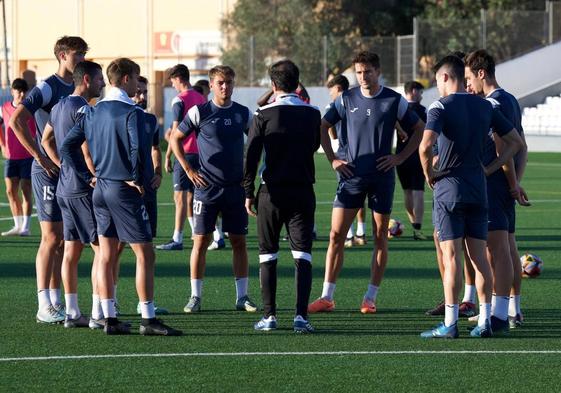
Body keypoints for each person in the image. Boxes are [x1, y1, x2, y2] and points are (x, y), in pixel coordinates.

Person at [60, 58, 181, 336]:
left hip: (100, 189)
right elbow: (138, 148)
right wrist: (136, 178)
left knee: (105, 254)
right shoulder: (133, 113)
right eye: (137, 78)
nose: (139, 84)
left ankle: (110, 318)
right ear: (126, 79)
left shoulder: (91, 111)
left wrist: (87, 175)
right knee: (145, 253)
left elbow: (67, 146)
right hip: (123, 190)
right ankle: (148, 319)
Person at [308, 51, 424, 314]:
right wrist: (333, 159)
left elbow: (419, 129)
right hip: (351, 177)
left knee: (380, 235)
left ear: (378, 71)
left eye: (367, 71)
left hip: (382, 178)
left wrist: (400, 157)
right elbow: (322, 127)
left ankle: (370, 298)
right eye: (358, 72)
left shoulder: (394, 100)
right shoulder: (346, 99)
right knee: (336, 235)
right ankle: (327, 296)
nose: (362, 77)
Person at [419, 55, 523, 339]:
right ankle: (485, 321)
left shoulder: (440, 106)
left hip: (449, 189)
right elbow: (516, 142)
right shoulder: (485, 106)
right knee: (480, 258)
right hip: (479, 190)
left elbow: (425, 146)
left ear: (443, 78)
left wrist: (429, 173)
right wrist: (489, 167)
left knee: (451, 257)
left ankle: (450, 323)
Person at [10, 36, 89, 324]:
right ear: (62, 55)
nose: (81, 58)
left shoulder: (80, 86)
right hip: (47, 171)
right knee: (51, 237)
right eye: (77, 53)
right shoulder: (48, 86)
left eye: (83, 53)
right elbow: (16, 121)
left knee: (65, 240)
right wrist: (41, 157)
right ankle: (43, 303)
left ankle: (57, 301)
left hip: (68, 171)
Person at [170, 65, 257, 313]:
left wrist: (250, 172)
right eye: (220, 82)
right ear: (211, 85)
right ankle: (195, 297)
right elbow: (175, 138)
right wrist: (188, 170)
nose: (225, 87)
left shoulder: (243, 113)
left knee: (239, 242)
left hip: (235, 189)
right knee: (200, 241)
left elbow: (256, 141)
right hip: (206, 189)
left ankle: (242, 297)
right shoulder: (200, 111)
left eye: (229, 82)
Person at [245, 60, 321, 333]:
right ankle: (301, 317)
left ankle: (270, 317)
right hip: (302, 191)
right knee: (303, 255)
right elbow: (313, 146)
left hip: (271, 193)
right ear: (297, 83)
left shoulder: (263, 113)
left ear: (273, 85)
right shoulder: (313, 113)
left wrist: (247, 193)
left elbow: (251, 155)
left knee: (268, 255)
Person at [464, 49, 530, 329]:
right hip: (505, 186)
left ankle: (499, 313)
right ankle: (512, 310)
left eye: (469, 78)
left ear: (482, 73)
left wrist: (508, 181)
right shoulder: (511, 99)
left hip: (495, 186)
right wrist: (516, 183)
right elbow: (523, 145)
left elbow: (504, 146)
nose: (467, 85)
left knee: (495, 251)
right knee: (509, 248)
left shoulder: (493, 104)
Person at [41, 60, 105, 328]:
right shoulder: (83, 109)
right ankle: (98, 313)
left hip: (64, 190)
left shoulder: (58, 107)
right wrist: (92, 176)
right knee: (102, 250)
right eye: (100, 78)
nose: (103, 83)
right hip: (81, 190)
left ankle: (71, 311)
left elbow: (46, 140)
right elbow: (87, 149)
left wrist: (62, 166)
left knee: (70, 251)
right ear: (87, 80)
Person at [157, 64, 205, 251]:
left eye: (172, 81)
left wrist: (168, 155)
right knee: (199, 195)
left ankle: (177, 238)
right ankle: (209, 233)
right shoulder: (201, 97)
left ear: (178, 78)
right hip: (201, 153)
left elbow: (176, 131)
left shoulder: (179, 100)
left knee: (180, 197)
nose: (172, 85)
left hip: (184, 153)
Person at [325, 75, 368, 248]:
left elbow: (331, 132)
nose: (330, 94)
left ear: (338, 88)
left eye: (331, 90)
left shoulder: (334, 105)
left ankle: (349, 236)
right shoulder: (359, 100)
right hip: (362, 155)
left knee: (346, 195)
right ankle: (361, 232)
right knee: (361, 194)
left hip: (343, 156)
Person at [0, 78, 35, 237]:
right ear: (12, 91)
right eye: (18, 90)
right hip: (11, 157)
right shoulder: (5, 108)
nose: (21, 93)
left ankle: (26, 227)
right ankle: (17, 225)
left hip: (28, 155)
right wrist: (2, 144)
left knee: (26, 190)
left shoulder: (30, 109)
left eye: (23, 91)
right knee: (10, 191)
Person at [396, 80, 428, 241]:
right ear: (414, 91)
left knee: (407, 192)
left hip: (400, 157)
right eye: (420, 92)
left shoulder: (398, 110)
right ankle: (417, 227)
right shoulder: (422, 111)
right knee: (418, 192)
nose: (421, 96)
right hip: (417, 156)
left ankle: (413, 224)